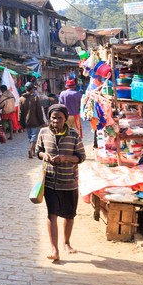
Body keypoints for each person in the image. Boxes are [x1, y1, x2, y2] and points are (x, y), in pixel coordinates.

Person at [35, 104, 86, 262]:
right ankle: (54, 249)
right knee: (52, 214)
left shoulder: (73, 135)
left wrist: (65, 158)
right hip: (50, 181)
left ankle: (66, 242)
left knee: (69, 215)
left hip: (69, 181)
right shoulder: (44, 132)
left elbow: (81, 156)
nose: (56, 121)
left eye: (59, 118)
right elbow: (38, 151)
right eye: (53, 118)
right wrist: (45, 156)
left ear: (65, 119)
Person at [18, 82, 47, 159]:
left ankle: (33, 151)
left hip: (26, 122)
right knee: (34, 136)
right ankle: (31, 149)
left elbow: (20, 112)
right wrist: (42, 122)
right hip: (35, 121)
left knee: (30, 137)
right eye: (33, 88)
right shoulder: (35, 98)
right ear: (31, 89)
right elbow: (39, 111)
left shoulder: (21, 99)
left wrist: (21, 123)